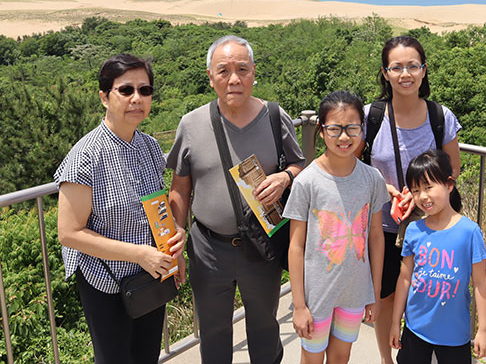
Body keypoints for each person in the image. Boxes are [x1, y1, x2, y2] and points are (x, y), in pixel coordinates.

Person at [166, 35, 304, 363]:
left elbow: (301, 166)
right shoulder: (191, 123)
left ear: (254, 72)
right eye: (223, 70)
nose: (234, 79)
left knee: (264, 327)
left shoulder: (274, 116)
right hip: (208, 248)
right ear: (210, 76)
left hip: (260, 245)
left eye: (242, 69)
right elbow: (179, 189)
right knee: (213, 333)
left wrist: (285, 177)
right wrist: (175, 238)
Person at [55, 53, 186, 363]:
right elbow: (69, 233)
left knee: (146, 356)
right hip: (106, 281)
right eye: (125, 90)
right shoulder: (85, 157)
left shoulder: (150, 147)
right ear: (104, 96)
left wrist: (175, 242)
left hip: (151, 276)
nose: (136, 98)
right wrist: (138, 254)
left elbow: (157, 208)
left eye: (145, 90)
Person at [361, 35, 462, 363]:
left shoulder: (440, 117)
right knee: (386, 296)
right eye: (397, 67)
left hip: (433, 228)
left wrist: (420, 196)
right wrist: (383, 188)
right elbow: (348, 164)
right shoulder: (369, 116)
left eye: (413, 66)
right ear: (385, 73)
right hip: (383, 228)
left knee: (430, 294)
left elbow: (453, 170)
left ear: (423, 70)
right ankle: (387, 359)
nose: (406, 74)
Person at [284, 91, 387, 364]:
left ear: (362, 129)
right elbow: (296, 245)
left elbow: (376, 236)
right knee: (312, 358)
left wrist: (373, 293)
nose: (344, 137)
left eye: (352, 128)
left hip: (354, 290)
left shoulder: (372, 178)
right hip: (316, 293)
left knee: (342, 357)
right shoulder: (307, 182)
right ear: (321, 131)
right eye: (334, 129)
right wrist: (299, 305)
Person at [389, 149, 486, 363]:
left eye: (429, 187)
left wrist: (483, 330)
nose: (423, 196)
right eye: (416, 190)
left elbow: (480, 284)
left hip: (454, 333)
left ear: (449, 184)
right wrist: (394, 322)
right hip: (415, 328)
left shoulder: (469, 232)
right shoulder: (414, 230)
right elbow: (405, 278)